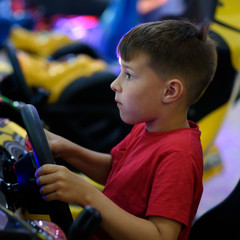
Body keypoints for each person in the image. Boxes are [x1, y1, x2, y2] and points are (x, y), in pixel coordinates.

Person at [27, 20, 217, 240]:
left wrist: (88, 195)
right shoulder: (146, 127)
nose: (114, 84)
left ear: (170, 91)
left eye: (128, 75)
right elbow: (117, 172)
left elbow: (161, 235)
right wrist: (67, 149)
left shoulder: (178, 156)